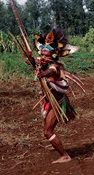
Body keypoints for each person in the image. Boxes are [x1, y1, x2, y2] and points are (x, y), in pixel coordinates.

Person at [33, 28, 80, 164]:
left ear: (53, 56)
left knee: (47, 132)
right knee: (47, 130)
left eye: (46, 56)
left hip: (57, 103)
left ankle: (65, 155)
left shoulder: (54, 66)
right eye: (42, 55)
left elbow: (51, 71)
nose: (43, 58)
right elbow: (37, 64)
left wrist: (44, 73)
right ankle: (57, 145)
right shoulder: (44, 64)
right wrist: (31, 59)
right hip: (49, 101)